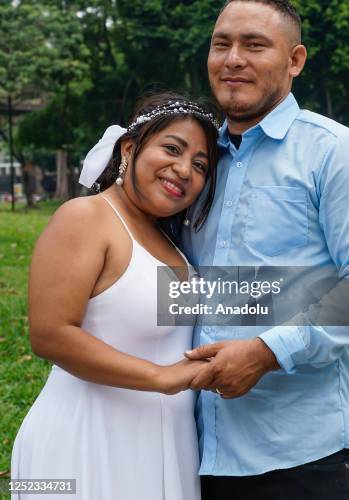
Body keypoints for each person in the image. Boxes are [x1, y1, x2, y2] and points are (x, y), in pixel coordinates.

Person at [181, 0, 349, 499]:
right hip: (192, 445)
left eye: (255, 45)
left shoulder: (339, 154)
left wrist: (265, 351)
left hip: (301, 452)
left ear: (295, 59)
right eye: (221, 44)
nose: (233, 60)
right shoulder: (196, 162)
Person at [11, 93, 219, 500]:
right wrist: (160, 377)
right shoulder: (87, 217)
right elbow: (50, 334)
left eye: (199, 165)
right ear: (129, 147)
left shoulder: (172, 242)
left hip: (162, 444)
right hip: (85, 441)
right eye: (172, 149)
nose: (183, 170)